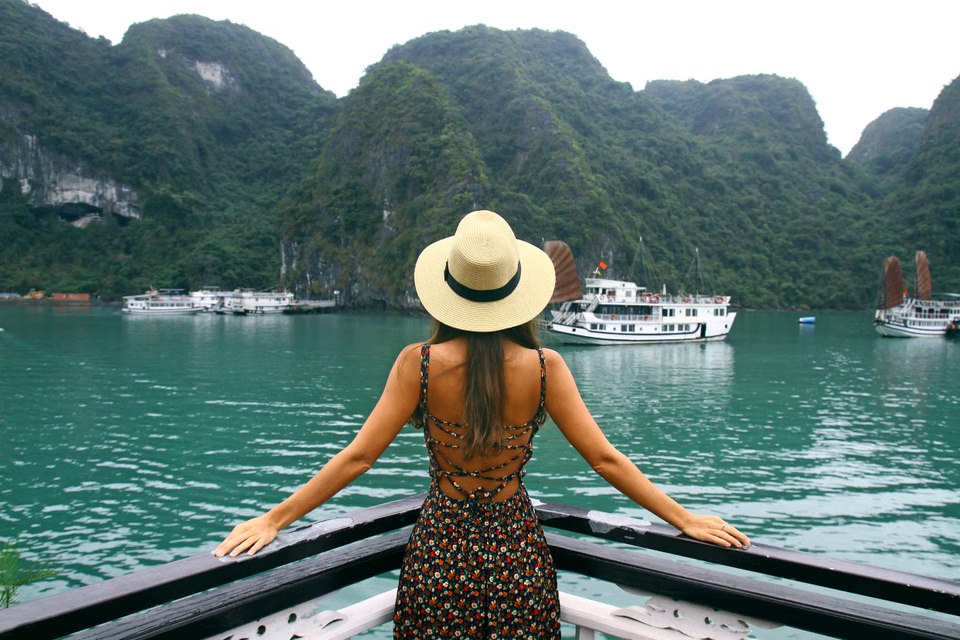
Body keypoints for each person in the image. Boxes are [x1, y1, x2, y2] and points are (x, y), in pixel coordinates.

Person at [215, 210, 750, 638]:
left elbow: (359, 457)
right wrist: (684, 518)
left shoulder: (417, 363)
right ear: (517, 294)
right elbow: (604, 459)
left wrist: (275, 520)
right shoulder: (545, 368)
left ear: (449, 291)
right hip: (516, 548)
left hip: (439, 550)